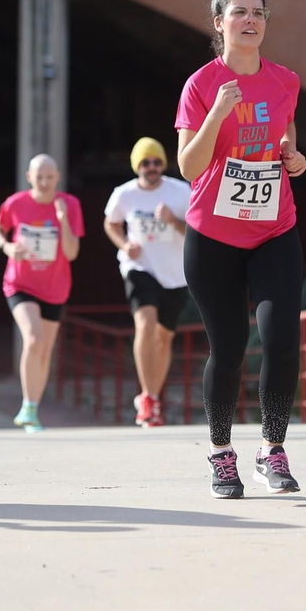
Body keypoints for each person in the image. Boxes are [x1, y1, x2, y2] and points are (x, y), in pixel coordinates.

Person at [177, 0, 306, 498]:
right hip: (214, 236)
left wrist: (292, 156)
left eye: (258, 12)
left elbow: (285, 134)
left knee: (281, 339)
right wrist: (217, 112)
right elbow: (189, 167)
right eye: (239, 12)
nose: (250, 20)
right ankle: (221, 453)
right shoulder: (201, 84)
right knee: (229, 346)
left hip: (274, 228)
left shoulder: (285, 81)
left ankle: (272, 450)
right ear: (220, 23)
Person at [0, 154, 85, 433]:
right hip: (20, 284)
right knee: (33, 338)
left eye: (49, 177)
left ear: (58, 178)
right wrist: (7, 247)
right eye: (39, 177)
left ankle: (32, 409)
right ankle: (27, 406)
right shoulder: (15, 203)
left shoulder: (70, 205)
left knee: (44, 350)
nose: (44, 183)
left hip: (55, 288)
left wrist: (62, 220)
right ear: (29, 177)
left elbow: (72, 253)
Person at [103, 137, 192, 429]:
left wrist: (172, 221)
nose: (151, 167)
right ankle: (147, 398)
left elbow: (197, 229)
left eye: (156, 162)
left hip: (175, 274)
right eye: (145, 162)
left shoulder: (180, 191)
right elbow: (111, 223)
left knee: (163, 338)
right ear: (136, 166)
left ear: (162, 164)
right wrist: (123, 244)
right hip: (139, 268)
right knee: (145, 326)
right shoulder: (124, 194)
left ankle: (153, 396)